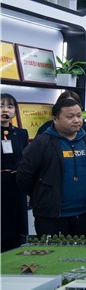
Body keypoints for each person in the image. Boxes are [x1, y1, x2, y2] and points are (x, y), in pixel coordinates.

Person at [17, 97, 86, 237]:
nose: (76, 120)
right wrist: (43, 194)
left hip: (83, 215)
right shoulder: (42, 142)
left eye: (79, 116)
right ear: (55, 119)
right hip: (51, 217)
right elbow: (24, 176)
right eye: (70, 117)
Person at [1, 93, 29, 251]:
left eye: (10, 107)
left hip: (16, 183)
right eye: (1, 106)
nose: (5, 110)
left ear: (15, 112)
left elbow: (25, 158)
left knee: (16, 228)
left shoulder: (21, 133)